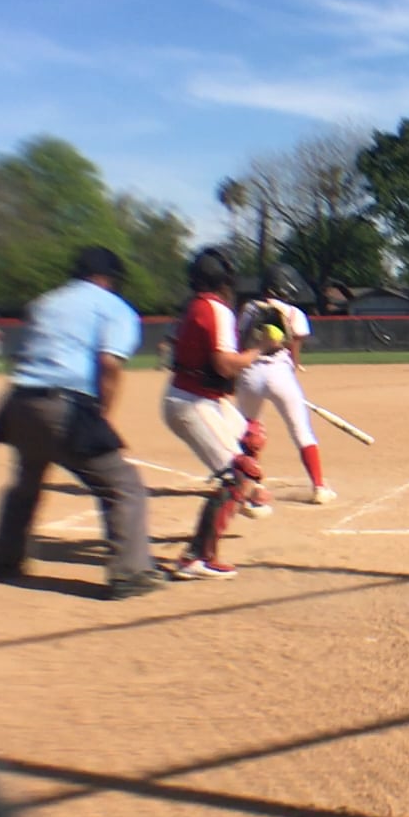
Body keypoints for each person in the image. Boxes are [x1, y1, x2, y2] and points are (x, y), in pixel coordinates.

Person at [0, 247, 161, 600]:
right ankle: (130, 574)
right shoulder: (114, 307)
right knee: (123, 486)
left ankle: (5, 560)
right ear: (109, 279)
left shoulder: (45, 302)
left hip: (18, 403)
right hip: (63, 403)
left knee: (26, 482)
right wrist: (102, 415)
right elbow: (109, 364)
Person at [161, 247, 282, 581]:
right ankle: (196, 558)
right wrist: (260, 350)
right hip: (192, 403)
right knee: (236, 474)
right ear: (225, 279)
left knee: (251, 436)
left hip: (199, 397)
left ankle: (250, 496)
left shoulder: (194, 306)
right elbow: (225, 365)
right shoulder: (216, 309)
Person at [237, 264, 336, 505]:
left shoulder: (249, 308)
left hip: (250, 372)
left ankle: (252, 485)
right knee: (301, 431)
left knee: (249, 428)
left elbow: (239, 340)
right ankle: (319, 487)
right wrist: (294, 367)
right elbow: (294, 349)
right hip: (280, 374)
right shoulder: (294, 313)